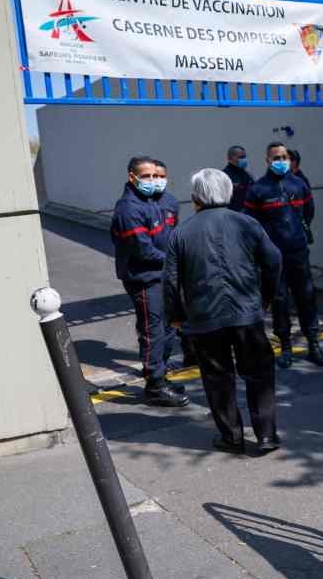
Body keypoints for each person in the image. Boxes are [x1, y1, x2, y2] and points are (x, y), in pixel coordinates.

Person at [163, 169, 283, 454]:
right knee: (259, 373)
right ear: (229, 193)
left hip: (205, 318)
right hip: (247, 313)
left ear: (195, 198)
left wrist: (177, 317)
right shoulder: (247, 223)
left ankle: (231, 436)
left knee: (218, 379)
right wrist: (265, 297)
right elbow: (274, 261)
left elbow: (169, 283)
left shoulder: (180, 233)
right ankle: (266, 435)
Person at [110, 156, 189, 407]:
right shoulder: (128, 209)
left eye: (156, 176)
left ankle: (160, 376)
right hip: (144, 278)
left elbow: (170, 236)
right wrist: (174, 260)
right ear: (132, 178)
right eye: (146, 177)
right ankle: (154, 385)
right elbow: (143, 251)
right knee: (153, 330)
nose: (153, 181)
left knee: (166, 329)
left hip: (162, 274)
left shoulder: (156, 201)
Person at [244, 142, 323, 369]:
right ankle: (285, 347)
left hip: (299, 252)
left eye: (284, 157)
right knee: (280, 301)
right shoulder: (258, 189)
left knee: (306, 298)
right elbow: (250, 222)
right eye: (276, 158)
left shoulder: (299, 184)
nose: (281, 161)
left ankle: (313, 344)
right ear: (267, 160)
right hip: (273, 257)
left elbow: (309, 212)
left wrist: (299, 233)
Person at [153, 160, 199, 368]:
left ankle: (190, 353)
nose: (158, 180)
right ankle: (159, 364)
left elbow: (176, 232)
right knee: (161, 318)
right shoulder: (143, 204)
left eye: (162, 176)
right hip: (153, 270)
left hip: (175, 264)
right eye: (154, 176)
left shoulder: (171, 201)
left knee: (183, 309)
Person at [223, 145, 255, 213]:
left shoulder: (249, 176)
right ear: (230, 158)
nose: (244, 160)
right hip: (231, 217)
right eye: (241, 157)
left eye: (244, 157)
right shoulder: (223, 176)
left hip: (248, 216)